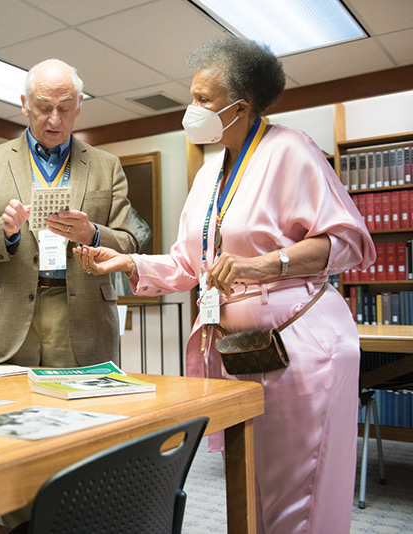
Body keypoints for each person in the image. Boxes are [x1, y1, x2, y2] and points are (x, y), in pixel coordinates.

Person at [75, 36, 375, 534]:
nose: (192, 110)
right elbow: (189, 263)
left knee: (299, 488)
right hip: (241, 351)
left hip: (301, 345)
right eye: (191, 97)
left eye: (204, 99)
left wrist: (260, 266)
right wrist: (126, 262)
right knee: (253, 479)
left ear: (244, 104)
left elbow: (347, 243)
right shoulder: (209, 172)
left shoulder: (291, 149)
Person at [0, 58, 137, 369]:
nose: (55, 119)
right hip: (7, 317)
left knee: (82, 415)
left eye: (64, 108)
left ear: (79, 105)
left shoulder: (107, 166)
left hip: (81, 316)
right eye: (43, 107)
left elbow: (129, 244)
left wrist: (91, 233)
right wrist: (4, 231)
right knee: (7, 412)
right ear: (25, 105)